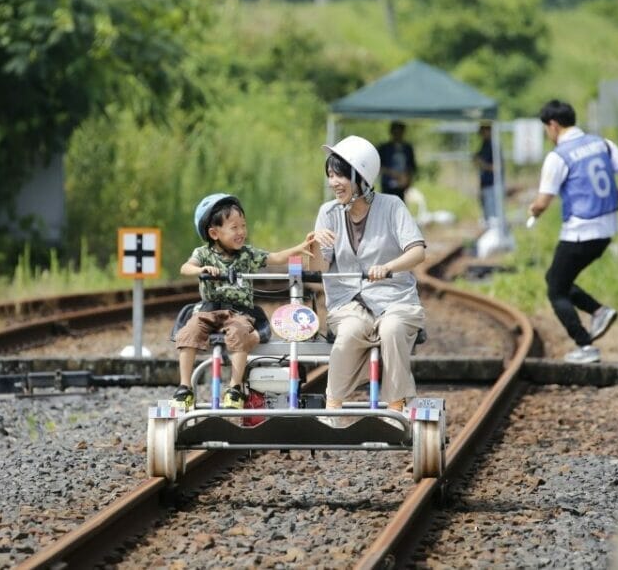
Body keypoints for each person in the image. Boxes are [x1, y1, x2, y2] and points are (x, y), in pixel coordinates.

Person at [308, 135, 427, 416]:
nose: (333, 182)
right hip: (347, 302)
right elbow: (319, 267)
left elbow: (417, 251)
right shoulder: (328, 212)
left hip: (394, 296)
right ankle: (333, 407)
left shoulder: (392, 206)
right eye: (330, 175)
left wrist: (389, 267)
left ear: (361, 177)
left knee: (392, 329)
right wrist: (313, 242)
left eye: (340, 175)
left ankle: (396, 407)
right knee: (349, 333)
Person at [172, 193, 315, 410]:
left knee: (240, 333)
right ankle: (184, 387)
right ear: (214, 233)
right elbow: (185, 268)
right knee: (188, 331)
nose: (241, 233)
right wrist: (201, 270)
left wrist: (298, 248)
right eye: (234, 227)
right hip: (209, 310)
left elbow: (274, 258)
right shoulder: (202, 254)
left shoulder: (247, 254)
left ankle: (234, 387)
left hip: (238, 312)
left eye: (243, 226)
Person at [527, 100, 618, 364]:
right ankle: (599, 311)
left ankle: (585, 345)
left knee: (556, 289)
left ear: (553, 125)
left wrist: (533, 211)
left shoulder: (559, 155)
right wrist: (613, 199)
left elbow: (543, 202)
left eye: (546, 129)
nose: (547, 134)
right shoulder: (602, 143)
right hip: (606, 230)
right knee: (558, 279)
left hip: (580, 231)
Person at [377, 121, 417, 201]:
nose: (397, 135)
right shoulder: (384, 148)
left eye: (400, 132)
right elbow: (379, 166)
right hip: (387, 184)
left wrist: (407, 180)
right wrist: (394, 174)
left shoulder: (407, 148)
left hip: (402, 186)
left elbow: (411, 167)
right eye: (395, 132)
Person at [473, 123, 497, 223]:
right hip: (485, 184)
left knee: (493, 216)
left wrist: (481, 163)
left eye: (483, 132)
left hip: (493, 184)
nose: (482, 135)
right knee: (486, 215)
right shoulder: (485, 144)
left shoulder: (493, 146)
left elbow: (496, 167)